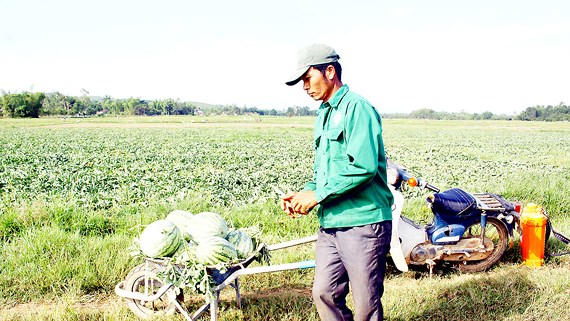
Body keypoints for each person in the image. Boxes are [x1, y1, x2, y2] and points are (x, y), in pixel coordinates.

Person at [281, 43, 394, 321]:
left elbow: (364, 168)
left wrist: (318, 195)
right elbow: (325, 171)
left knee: (366, 305)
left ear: (329, 71)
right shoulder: (325, 113)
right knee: (324, 293)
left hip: (363, 222)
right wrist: (304, 194)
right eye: (302, 82)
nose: (305, 86)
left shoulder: (357, 108)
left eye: (308, 78)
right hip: (331, 223)